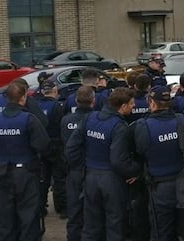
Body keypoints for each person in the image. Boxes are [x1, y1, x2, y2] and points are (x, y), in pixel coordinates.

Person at [65, 87, 141, 241]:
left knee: (91, 225)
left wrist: (83, 167)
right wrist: (136, 170)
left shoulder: (90, 118)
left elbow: (71, 147)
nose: (134, 106)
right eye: (132, 103)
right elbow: (118, 160)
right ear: (123, 105)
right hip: (112, 181)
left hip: (90, 177)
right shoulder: (120, 127)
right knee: (114, 224)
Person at [0, 81, 50, 241]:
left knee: (5, 217)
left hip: (2, 173)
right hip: (26, 174)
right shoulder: (29, 119)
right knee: (28, 216)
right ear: (23, 98)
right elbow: (44, 145)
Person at [134, 86, 184, 241]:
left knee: (163, 231)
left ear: (151, 102)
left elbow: (141, 151)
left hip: (160, 187)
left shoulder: (144, 126)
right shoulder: (182, 120)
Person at [61, 86, 95, 241]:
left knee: (74, 212)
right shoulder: (96, 120)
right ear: (93, 101)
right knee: (94, 213)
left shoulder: (66, 119)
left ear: (76, 101)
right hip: (92, 170)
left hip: (74, 170)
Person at [37, 79, 67, 218]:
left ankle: (41, 206)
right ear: (55, 91)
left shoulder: (37, 105)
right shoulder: (57, 106)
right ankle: (61, 207)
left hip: (42, 146)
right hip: (56, 145)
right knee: (59, 177)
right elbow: (61, 126)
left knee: (43, 178)